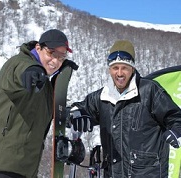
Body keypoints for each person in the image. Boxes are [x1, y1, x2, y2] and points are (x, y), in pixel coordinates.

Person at [69, 40, 181, 178]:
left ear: (132, 69)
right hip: (112, 173)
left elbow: (175, 116)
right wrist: (77, 115)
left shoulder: (149, 90)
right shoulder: (102, 97)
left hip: (147, 173)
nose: (120, 73)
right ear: (110, 70)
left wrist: (177, 130)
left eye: (125, 68)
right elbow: (77, 109)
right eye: (115, 68)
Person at [0, 29, 77, 178]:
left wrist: (70, 114)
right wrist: (31, 69)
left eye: (61, 57)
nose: (55, 61)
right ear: (38, 48)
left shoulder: (43, 85)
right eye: (51, 53)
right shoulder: (18, 63)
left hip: (24, 170)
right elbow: (20, 70)